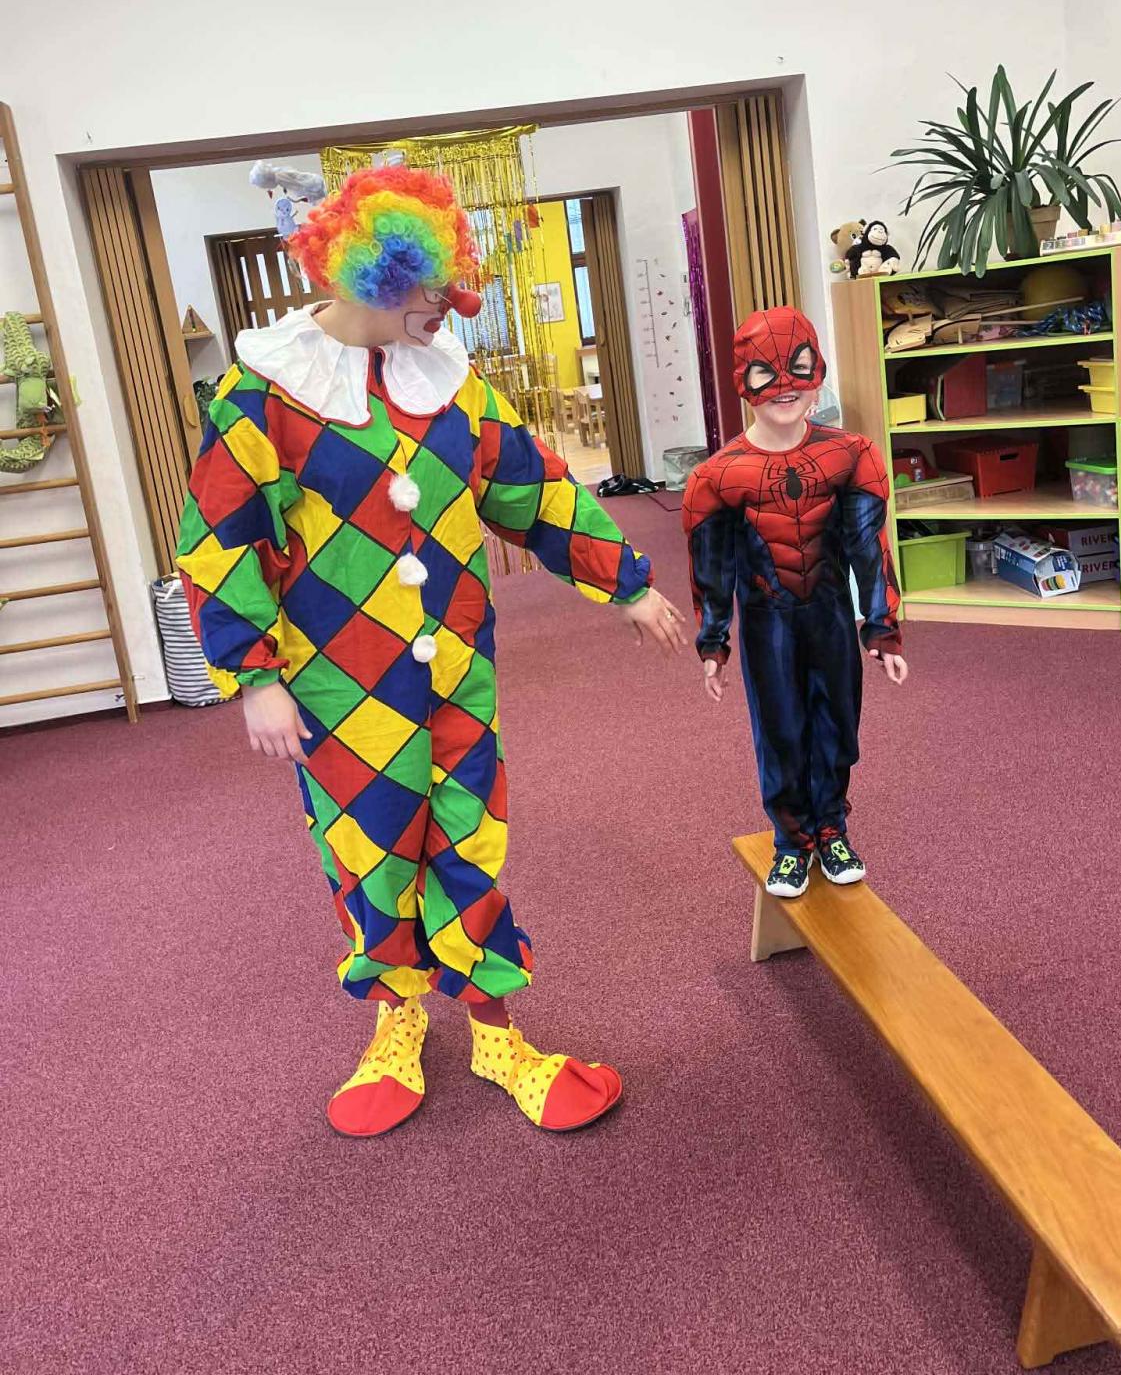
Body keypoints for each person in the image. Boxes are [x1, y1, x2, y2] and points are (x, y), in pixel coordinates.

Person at [177, 164, 683, 1138]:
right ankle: (396, 1019)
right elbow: (219, 535)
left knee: (468, 840)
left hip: (456, 667)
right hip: (339, 683)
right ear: (376, 278)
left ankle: (496, 1033)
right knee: (371, 851)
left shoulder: (449, 383)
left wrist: (625, 582)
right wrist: (251, 676)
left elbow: (534, 488)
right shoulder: (265, 394)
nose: (457, 307)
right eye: (435, 290)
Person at [681, 305, 906, 899]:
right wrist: (713, 643)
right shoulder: (716, 477)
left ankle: (832, 829)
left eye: (799, 369)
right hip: (767, 623)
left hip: (829, 614)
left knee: (839, 724)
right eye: (765, 374)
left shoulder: (852, 454)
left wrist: (881, 627)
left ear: (818, 372)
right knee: (780, 729)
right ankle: (792, 842)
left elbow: (868, 545)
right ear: (743, 381)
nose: (784, 387)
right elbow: (712, 568)